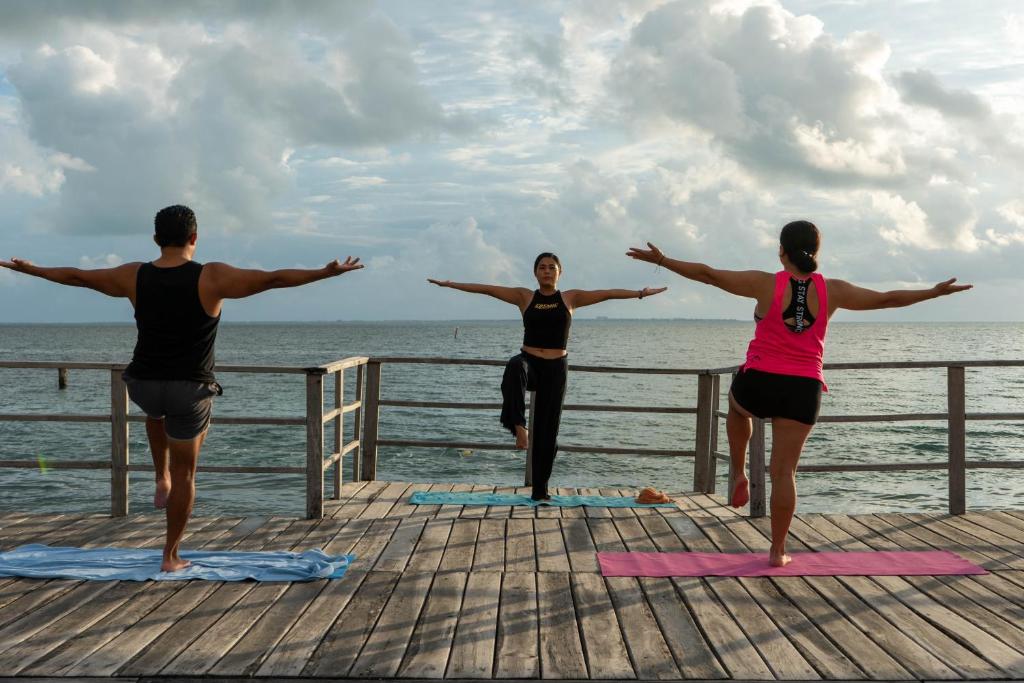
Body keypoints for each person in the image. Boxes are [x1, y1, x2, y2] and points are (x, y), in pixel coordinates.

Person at [0, 204, 363, 572]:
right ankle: (170, 555)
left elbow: (79, 277)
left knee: (156, 413)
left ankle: (160, 476)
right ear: (194, 237)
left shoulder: (134, 275)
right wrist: (325, 273)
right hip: (189, 388)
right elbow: (272, 279)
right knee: (186, 471)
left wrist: (32, 270)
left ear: (156, 239)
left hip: (141, 383)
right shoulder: (212, 277)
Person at [627, 221, 971, 566]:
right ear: (816, 251)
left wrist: (663, 260)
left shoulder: (764, 283)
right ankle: (777, 551)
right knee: (784, 473)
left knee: (736, 407)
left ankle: (738, 471)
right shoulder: (834, 290)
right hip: (803, 388)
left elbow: (708, 275)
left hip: (758, 380)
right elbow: (888, 299)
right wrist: (933, 292)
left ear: (782, 251)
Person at [428, 252, 667, 500]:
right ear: (535, 272)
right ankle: (519, 427)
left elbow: (607, 293)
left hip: (555, 369)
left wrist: (640, 293)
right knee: (514, 366)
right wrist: (452, 284)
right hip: (529, 362)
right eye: (542, 267)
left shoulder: (570, 298)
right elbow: (487, 289)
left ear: (559, 272)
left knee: (548, 432)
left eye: (552, 267)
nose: (547, 271)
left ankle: (540, 491)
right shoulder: (525, 297)